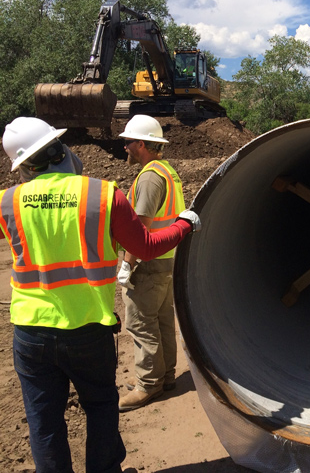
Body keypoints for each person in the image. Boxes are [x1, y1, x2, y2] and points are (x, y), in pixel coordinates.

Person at [1, 116, 201, 473]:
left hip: (30, 335)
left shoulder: (7, 202)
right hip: (88, 329)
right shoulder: (103, 194)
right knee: (101, 407)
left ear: (25, 165)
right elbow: (147, 245)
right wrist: (184, 224)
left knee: (43, 422)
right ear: (61, 148)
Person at [116, 115, 186, 412]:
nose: (125, 149)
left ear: (141, 144)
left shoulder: (148, 177)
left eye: (128, 143)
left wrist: (127, 264)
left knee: (141, 323)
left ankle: (148, 384)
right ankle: (165, 376)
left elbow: (139, 231)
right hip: (167, 259)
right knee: (161, 321)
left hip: (147, 263)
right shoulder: (166, 171)